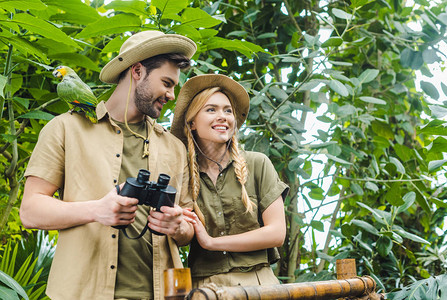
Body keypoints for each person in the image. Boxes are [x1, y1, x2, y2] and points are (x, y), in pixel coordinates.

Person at [19, 30, 197, 300]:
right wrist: (96, 210)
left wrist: (178, 227)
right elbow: (30, 212)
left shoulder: (175, 147)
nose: (171, 95)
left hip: (166, 294)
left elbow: (189, 227)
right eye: (167, 83)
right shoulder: (65, 128)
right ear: (137, 71)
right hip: (83, 293)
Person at [170, 74, 289, 287]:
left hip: (259, 283)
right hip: (205, 287)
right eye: (211, 109)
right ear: (193, 123)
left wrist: (212, 243)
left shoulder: (257, 164)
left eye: (228, 110)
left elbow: (277, 233)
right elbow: (179, 234)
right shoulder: (181, 174)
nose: (222, 116)